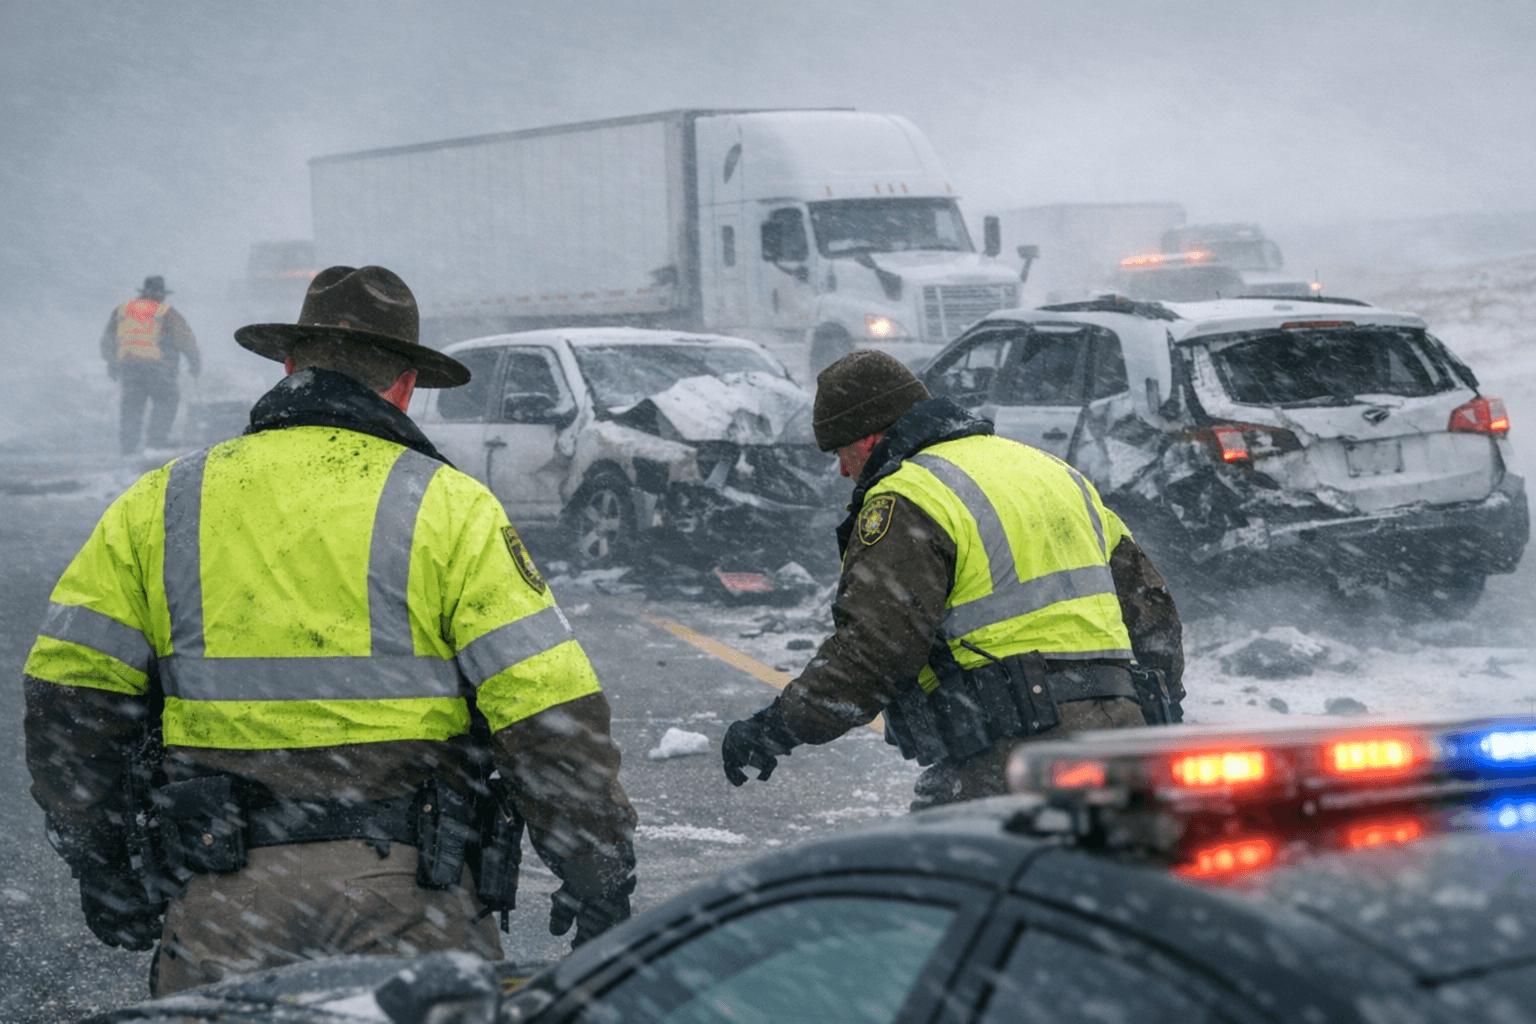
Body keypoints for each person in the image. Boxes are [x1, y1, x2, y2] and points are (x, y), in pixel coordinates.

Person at [26, 265, 638, 996]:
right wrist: (596, 868)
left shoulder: (161, 502)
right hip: (410, 899)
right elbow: (547, 711)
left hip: (224, 897)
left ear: (290, 367)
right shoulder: (451, 508)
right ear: (408, 385)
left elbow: (69, 698)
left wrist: (103, 865)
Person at [722, 349, 1184, 810]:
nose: (843, 471)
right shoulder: (1050, 470)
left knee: (948, 874)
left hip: (1017, 750)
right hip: (1124, 736)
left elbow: (876, 650)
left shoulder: (910, 494)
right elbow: (1152, 610)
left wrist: (776, 727)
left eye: (841, 453)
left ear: (869, 437)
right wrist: (1157, 713)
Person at [100, 275, 202, 455]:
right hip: (158, 367)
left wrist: (112, 363)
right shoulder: (165, 312)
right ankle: (156, 443)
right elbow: (184, 339)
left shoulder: (122, 310)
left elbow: (108, 340)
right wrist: (194, 361)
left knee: (131, 407)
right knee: (166, 400)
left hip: (130, 367)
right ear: (160, 294)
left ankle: (128, 448)